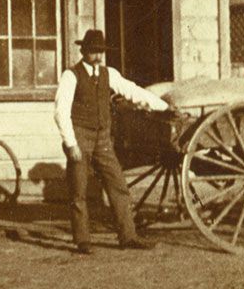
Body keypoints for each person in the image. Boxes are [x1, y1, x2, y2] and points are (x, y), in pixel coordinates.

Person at [55, 28, 170, 254]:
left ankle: (128, 236)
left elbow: (132, 91)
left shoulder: (109, 74)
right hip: (80, 136)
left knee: (118, 185)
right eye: (93, 52)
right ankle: (82, 241)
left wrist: (164, 107)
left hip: (102, 138)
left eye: (100, 52)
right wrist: (71, 144)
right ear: (84, 51)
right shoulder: (71, 75)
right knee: (79, 190)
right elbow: (61, 111)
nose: (97, 56)